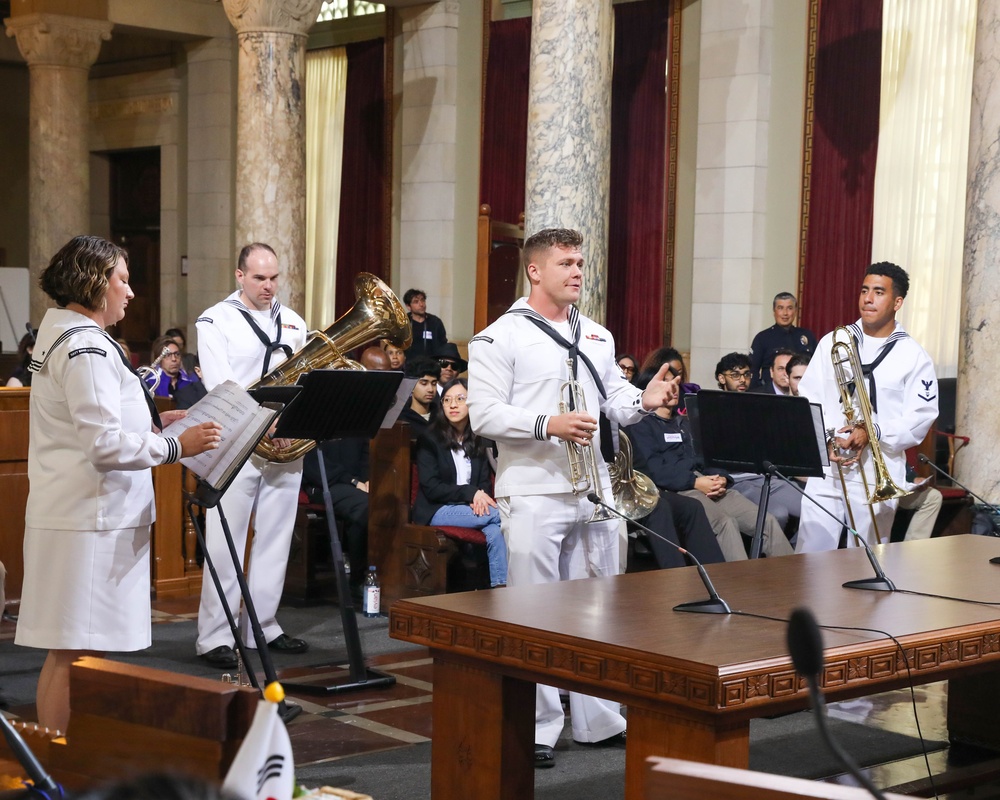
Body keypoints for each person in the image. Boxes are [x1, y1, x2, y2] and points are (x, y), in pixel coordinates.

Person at [467, 227, 680, 767]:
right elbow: (484, 415)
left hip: (595, 490)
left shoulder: (599, 336)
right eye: (565, 262)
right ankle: (537, 728)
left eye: (580, 262)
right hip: (535, 489)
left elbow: (616, 402)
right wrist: (548, 423)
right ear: (535, 270)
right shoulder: (498, 337)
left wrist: (646, 398)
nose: (577, 271)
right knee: (533, 610)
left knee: (597, 607)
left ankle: (599, 719)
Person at [14, 235, 221, 731]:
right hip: (90, 519)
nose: (130, 293)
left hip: (84, 514)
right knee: (75, 651)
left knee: (75, 649)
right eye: (122, 281)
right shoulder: (84, 344)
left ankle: (65, 761)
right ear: (92, 283)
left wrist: (160, 420)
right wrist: (176, 447)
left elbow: (90, 421)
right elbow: (103, 444)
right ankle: (62, 765)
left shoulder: (67, 334)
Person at [194, 242, 310, 669]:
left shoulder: (294, 322)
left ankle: (261, 624)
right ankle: (215, 636)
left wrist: (293, 422)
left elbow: (307, 377)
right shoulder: (214, 320)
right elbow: (221, 387)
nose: (268, 285)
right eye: (259, 277)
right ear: (239, 276)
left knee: (276, 538)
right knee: (226, 539)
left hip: (284, 443)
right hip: (235, 440)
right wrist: (262, 421)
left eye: (274, 277)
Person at [795, 262, 938, 552]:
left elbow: (920, 417)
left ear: (897, 302)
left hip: (878, 469)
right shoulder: (833, 342)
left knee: (866, 558)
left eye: (878, 292)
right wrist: (826, 441)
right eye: (864, 290)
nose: (868, 299)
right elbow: (809, 399)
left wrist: (872, 431)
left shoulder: (914, 356)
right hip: (830, 466)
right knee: (810, 556)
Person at [625, 362, 794, 562]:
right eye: (665, 382)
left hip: (709, 483)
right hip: (679, 489)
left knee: (767, 521)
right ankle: (740, 587)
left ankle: (791, 583)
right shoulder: (640, 426)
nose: (673, 388)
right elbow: (654, 471)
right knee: (725, 523)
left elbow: (708, 458)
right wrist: (694, 483)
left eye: (675, 382)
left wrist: (722, 477)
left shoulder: (685, 423)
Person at [413, 378, 507, 587]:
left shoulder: (478, 439)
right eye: (447, 400)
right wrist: (471, 494)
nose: (453, 405)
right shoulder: (429, 439)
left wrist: (477, 497)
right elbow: (431, 487)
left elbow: (483, 482)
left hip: (468, 508)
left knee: (495, 530)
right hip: (436, 509)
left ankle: (501, 589)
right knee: (503, 515)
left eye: (460, 399)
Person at [749, 292, 817, 387]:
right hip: (771, 395)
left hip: (802, 391)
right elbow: (753, 370)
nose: (785, 313)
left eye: (789, 308)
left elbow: (817, 368)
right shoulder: (762, 338)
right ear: (774, 311)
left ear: (796, 311)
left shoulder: (807, 336)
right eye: (780, 308)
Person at [143, 335, 198, 400]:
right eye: (168, 355)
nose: (174, 359)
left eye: (177, 354)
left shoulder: (190, 381)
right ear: (160, 359)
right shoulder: (151, 383)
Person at [398, 356, 440, 433]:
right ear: (411, 385)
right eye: (424, 383)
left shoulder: (441, 416)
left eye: (434, 383)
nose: (430, 389)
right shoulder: (400, 419)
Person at [403, 288, 447, 359]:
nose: (421, 304)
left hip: (431, 365)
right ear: (408, 306)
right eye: (416, 302)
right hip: (409, 366)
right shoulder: (403, 322)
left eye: (422, 300)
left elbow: (443, 345)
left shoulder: (435, 322)